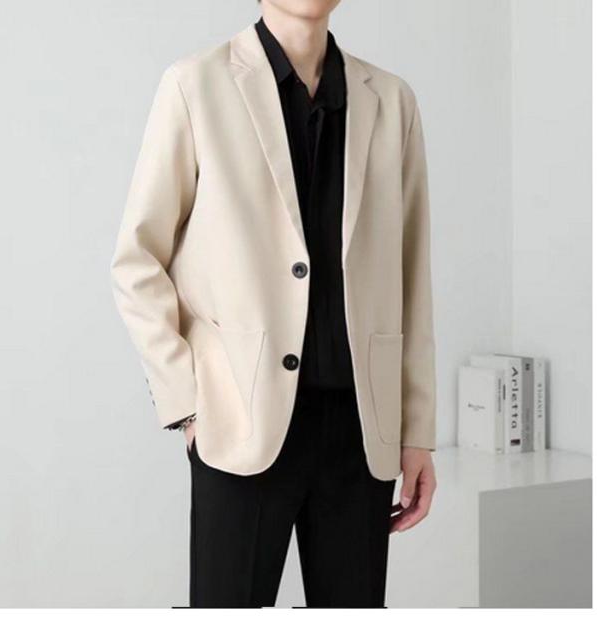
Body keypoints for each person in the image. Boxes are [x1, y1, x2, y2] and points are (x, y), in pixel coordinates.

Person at [111, 0, 437, 608]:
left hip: (360, 433)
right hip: (238, 419)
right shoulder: (196, 85)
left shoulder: (392, 101)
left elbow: (411, 277)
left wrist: (416, 431)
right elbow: (137, 261)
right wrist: (188, 405)